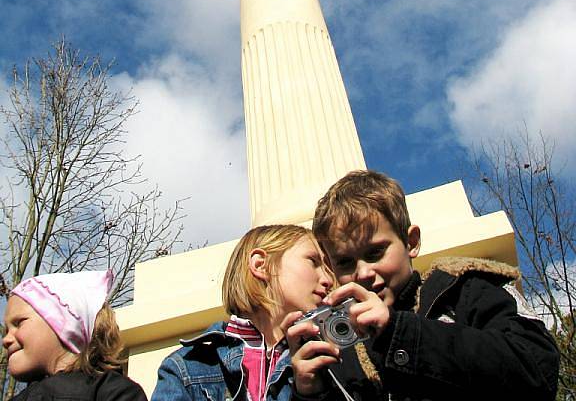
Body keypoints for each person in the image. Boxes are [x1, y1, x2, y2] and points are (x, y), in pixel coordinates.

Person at [285, 170, 560, 401]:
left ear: (411, 242)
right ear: (332, 268)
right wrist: (311, 393)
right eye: (345, 262)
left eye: (375, 252)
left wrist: (398, 330)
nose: (364, 273)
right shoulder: (337, 351)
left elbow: (538, 369)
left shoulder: (465, 290)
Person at [151, 225, 333, 401]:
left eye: (329, 268)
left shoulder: (331, 356)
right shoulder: (187, 367)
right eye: (314, 262)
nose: (328, 280)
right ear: (261, 265)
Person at [3, 270, 147, 401]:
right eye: (6, 331)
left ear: (63, 323)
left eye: (19, 323)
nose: (6, 340)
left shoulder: (112, 392)